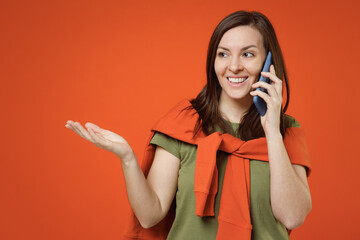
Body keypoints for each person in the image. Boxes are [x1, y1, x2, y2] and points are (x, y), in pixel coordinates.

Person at [65, 10, 312, 240]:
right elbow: (150, 214)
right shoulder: (185, 123)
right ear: (212, 61)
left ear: (268, 62)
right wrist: (127, 158)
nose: (234, 66)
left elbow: (293, 216)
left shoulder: (285, 130)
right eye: (223, 54)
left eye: (248, 54)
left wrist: (271, 131)